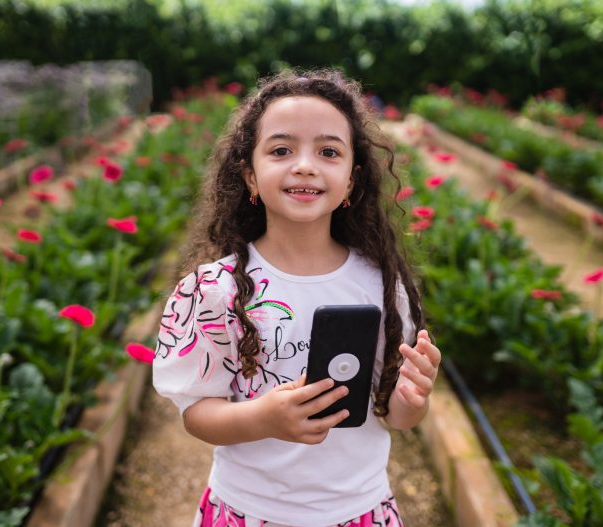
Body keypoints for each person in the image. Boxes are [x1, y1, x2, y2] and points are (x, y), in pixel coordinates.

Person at [153, 68, 442, 527]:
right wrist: (262, 418)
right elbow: (196, 413)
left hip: (358, 509)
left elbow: (396, 416)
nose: (305, 165)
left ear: (351, 180)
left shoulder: (382, 286)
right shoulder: (214, 289)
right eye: (282, 150)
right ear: (249, 175)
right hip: (248, 511)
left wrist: (413, 397)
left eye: (328, 151)